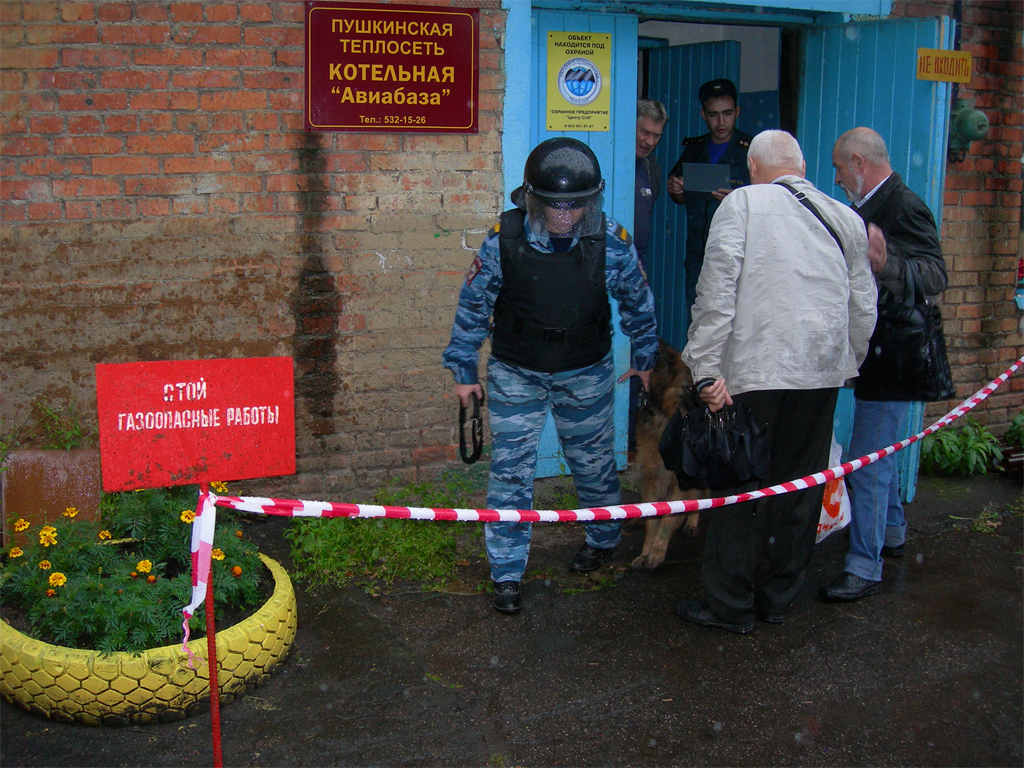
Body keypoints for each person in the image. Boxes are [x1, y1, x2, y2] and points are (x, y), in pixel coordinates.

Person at [442, 137, 659, 615]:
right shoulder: (505, 239)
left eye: (576, 206)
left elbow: (638, 305)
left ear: (591, 201)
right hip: (516, 371)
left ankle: (602, 540)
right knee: (511, 474)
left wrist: (645, 361)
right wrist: (463, 370)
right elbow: (474, 305)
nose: (565, 215)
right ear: (533, 199)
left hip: (585, 369)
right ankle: (506, 572)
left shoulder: (610, 241)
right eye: (555, 206)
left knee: (593, 464)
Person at [676, 129, 878, 634]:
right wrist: (848, 361)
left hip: (754, 375)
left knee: (743, 486)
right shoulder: (845, 216)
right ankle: (778, 597)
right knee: (799, 487)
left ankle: (729, 605)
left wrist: (703, 370)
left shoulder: (742, 204)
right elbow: (863, 304)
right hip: (820, 375)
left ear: (754, 168)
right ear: (802, 168)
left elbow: (716, 291)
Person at [820, 127, 949, 602]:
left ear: (858, 162)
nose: (835, 177)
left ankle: (863, 565)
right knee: (880, 451)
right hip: (879, 350)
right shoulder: (871, 205)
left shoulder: (904, 204)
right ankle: (890, 533)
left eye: (838, 167)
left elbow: (936, 277)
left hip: (897, 353)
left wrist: (884, 260)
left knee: (865, 459)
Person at [666, 79, 753, 314]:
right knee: (698, 322)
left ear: (737, 112)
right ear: (703, 114)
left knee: (735, 326)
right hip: (698, 255)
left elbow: (768, 201)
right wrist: (676, 192)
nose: (721, 122)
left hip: (737, 256)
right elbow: (681, 196)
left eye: (727, 113)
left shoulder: (752, 150)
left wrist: (740, 200)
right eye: (714, 114)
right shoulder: (694, 149)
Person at [634, 98, 668, 266]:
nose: (650, 142)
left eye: (656, 136)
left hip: (637, 261)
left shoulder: (651, 167)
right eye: (645, 133)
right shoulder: (611, 162)